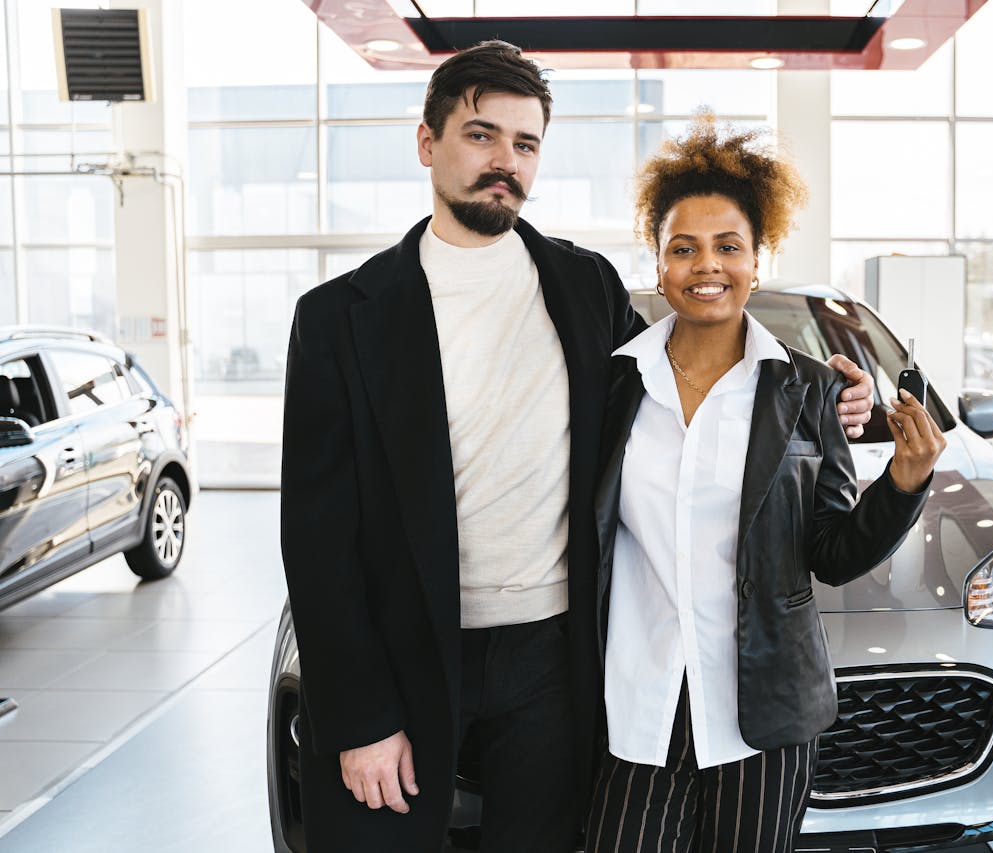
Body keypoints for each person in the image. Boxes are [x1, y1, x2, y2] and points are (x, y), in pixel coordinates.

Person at [279, 42, 877, 852]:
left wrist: (823, 391)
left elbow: (696, 361)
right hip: (407, 648)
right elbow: (317, 537)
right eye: (481, 135)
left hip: (552, 660)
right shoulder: (338, 318)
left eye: (525, 144)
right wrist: (361, 717)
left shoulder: (584, 286)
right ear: (427, 143)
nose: (505, 161)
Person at [585, 116, 946, 853]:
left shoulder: (808, 390)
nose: (706, 266)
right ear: (658, 264)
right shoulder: (615, 385)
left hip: (764, 713)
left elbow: (833, 553)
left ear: (757, 259)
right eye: (683, 247)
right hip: (636, 701)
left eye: (728, 246)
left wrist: (902, 485)